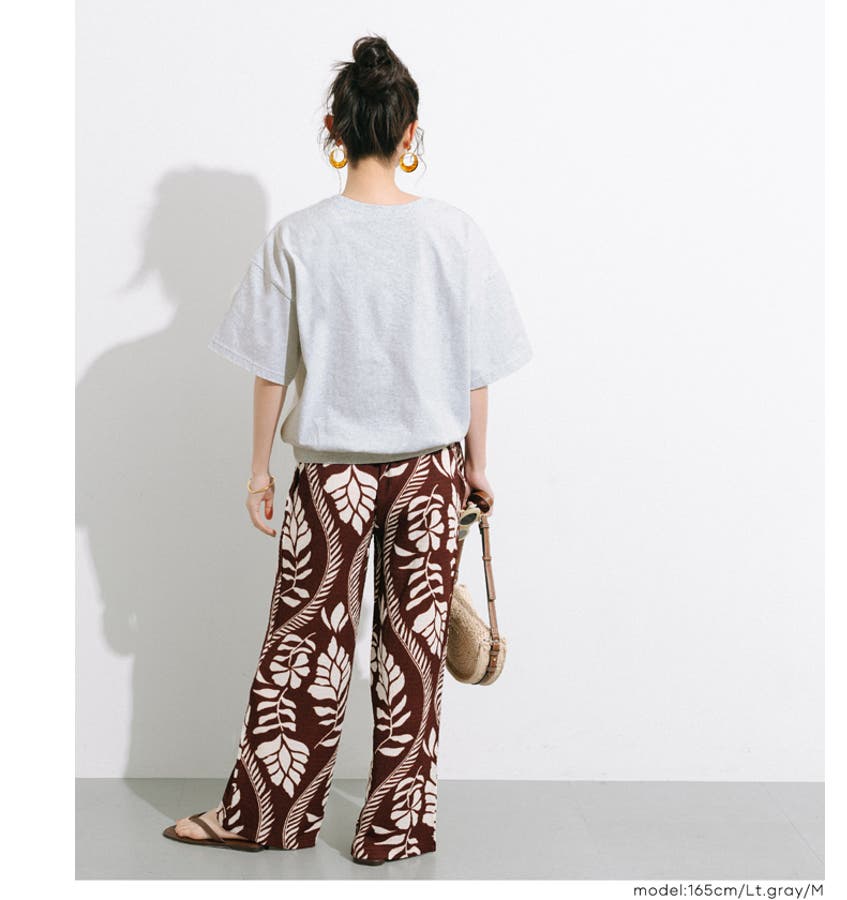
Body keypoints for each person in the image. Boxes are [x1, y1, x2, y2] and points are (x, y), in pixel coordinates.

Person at [162, 33, 533, 864]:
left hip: (331, 477)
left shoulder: (299, 237)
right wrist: (478, 468)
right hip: (432, 473)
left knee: (305, 652)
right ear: (410, 134)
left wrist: (257, 471)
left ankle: (268, 818)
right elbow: (476, 370)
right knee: (413, 659)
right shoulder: (454, 234)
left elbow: (271, 367)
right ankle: (395, 828)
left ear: (334, 128)